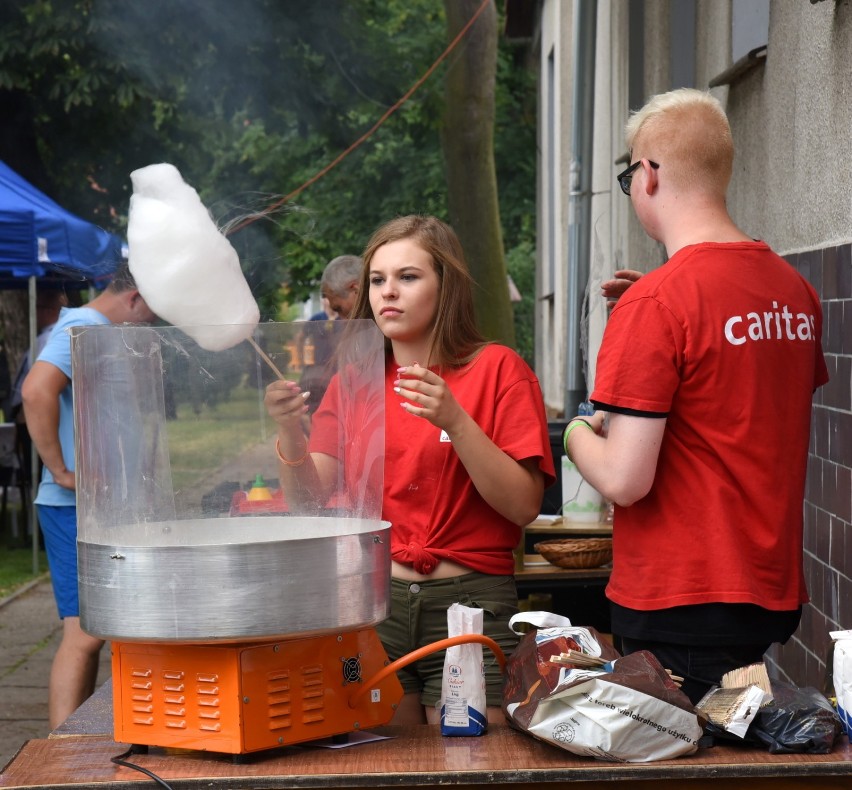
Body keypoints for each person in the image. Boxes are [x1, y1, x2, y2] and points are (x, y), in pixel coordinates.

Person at [565, 88, 829, 705]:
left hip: (680, 596)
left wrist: (578, 429)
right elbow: (737, 396)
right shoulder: (793, 291)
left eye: (630, 176)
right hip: (767, 594)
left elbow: (626, 479)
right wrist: (657, 299)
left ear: (648, 175)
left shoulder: (658, 303)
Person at [265, 215, 555, 725]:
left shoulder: (498, 370)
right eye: (378, 280)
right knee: (378, 757)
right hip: (370, 604)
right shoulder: (355, 382)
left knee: (470, 762)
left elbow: (524, 505)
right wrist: (290, 433)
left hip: (472, 603)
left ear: (447, 286)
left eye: (408, 277)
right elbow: (309, 503)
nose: (387, 292)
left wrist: (456, 422)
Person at [21, 262, 158, 728]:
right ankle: (60, 752)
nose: (152, 323)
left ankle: (78, 736)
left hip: (104, 508)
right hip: (74, 508)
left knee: (98, 633)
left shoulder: (94, 330)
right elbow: (36, 390)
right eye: (152, 311)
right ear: (135, 297)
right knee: (83, 634)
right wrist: (60, 470)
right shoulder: (82, 327)